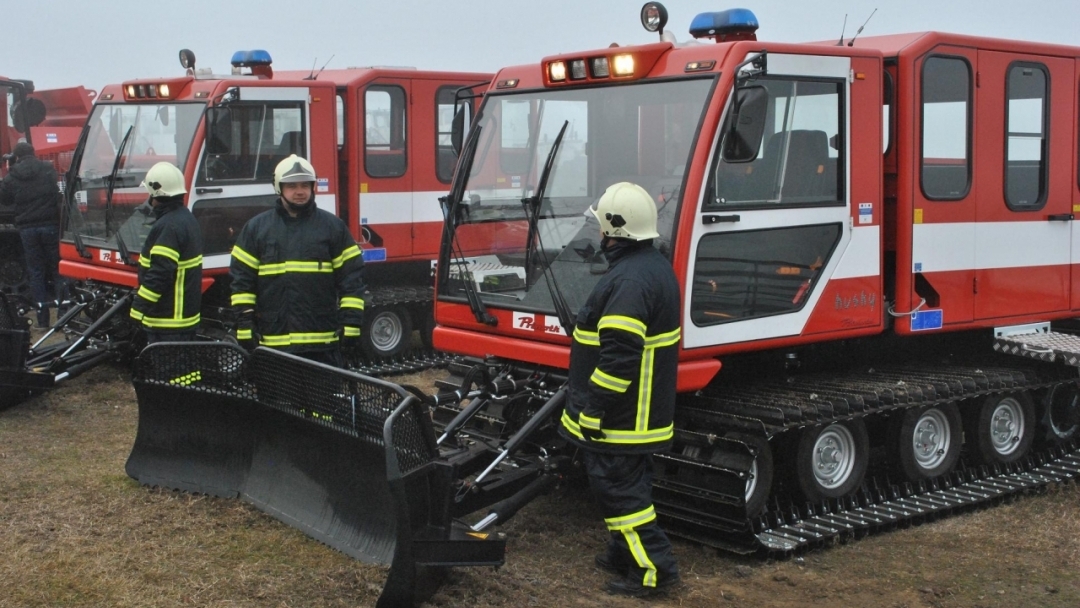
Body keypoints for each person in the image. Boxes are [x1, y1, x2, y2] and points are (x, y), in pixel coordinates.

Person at [559, 182, 681, 597]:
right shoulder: (649, 267)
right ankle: (621, 553)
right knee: (626, 489)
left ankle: (652, 572)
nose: (598, 233)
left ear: (615, 231)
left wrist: (592, 410)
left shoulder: (629, 282)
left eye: (601, 227)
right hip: (639, 414)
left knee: (621, 493)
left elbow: (618, 361)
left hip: (624, 418)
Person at [229, 154, 365, 367]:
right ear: (278, 188)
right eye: (291, 186)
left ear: (313, 187)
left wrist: (352, 323)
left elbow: (351, 280)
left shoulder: (333, 228)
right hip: (274, 345)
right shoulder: (256, 229)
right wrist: (245, 324)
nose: (299, 191)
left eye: (304, 185)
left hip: (322, 346)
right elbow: (242, 282)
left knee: (322, 402)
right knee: (275, 402)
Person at [129, 162, 203, 343]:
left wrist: (138, 308)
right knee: (186, 371)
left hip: (168, 322)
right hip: (184, 319)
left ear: (156, 194)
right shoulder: (186, 219)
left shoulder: (168, 226)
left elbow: (161, 272)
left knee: (168, 371)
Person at [0, 141, 62, 327]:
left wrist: (11, 169)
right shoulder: (47, 169)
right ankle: (65, 316)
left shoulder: (13, 175)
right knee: (58, 270)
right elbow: (54, 188)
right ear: (34, 153)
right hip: (50, 225)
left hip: (27, 228)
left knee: (36, 272)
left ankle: (43, 320)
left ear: (16, 157)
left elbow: (4, 198)